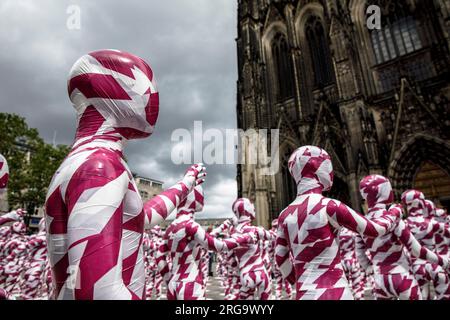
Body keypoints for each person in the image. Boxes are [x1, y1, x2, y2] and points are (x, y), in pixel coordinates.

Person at [45, 49, 207, 300]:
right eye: (141, 83)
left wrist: (186, 184)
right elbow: (97, 291)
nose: (153, 97)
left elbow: (136, 220)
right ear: (110, 90)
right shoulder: (101, 167)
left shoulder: (81, 161)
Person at [275, 146, 400, 300]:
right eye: (328, 164)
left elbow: (280, 258)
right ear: (315, 167)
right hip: (335, 291)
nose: (331, 172)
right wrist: (394, 213)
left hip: (305, 293)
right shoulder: (330, 206)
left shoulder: (284, 215)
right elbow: (375, 229)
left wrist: (298, 282)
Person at [356, 175, 448, 300]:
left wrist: (368, 267)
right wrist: (442, 261)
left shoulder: (361, 222)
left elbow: (359, 253)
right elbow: (416, 251)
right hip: (401, 276)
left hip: (379, 280)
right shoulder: (394, 219)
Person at [156, 186, 251, 300]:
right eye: (201, 195)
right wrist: (243, 238)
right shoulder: (191, 225)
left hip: (173, 285)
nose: (203, 199)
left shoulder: (170, 228)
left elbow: (159, 257)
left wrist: (169, 280)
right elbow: (219, 246)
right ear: (192, 198)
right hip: (191, 284)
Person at [403, 190, 450, 300]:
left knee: (422, 296)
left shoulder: (403, 225)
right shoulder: (431, 223)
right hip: (434, 265)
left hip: (415, 268)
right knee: (444, 292)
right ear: (421, 203)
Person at [231, 198, 274, 300]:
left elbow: (231, 260)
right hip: (260, 272)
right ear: (247, 211)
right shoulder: (255, 230)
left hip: (245, 274)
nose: (254, 208)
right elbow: (273, 236)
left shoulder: (233, 235)